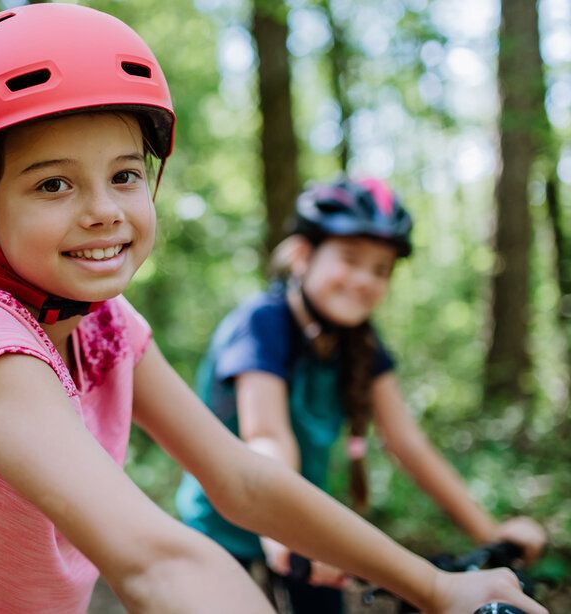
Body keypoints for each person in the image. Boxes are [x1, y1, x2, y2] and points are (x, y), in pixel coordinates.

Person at [0, 5, 546, 613]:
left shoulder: (107, 327)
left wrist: (435, 585)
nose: (103, 211)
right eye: (53, 184)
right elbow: (151, 559)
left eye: (124, 174)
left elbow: (239, 478)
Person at [176, 177, 548, 613]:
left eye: (381, 269)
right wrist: (280, 528)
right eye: (350, 259)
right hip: (227, 527)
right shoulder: (262, 324)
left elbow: (408, 444)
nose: (364, 280)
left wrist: (492, 535)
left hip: (302, 530)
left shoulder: (363, 345)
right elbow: (267, 435)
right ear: (302, 256)